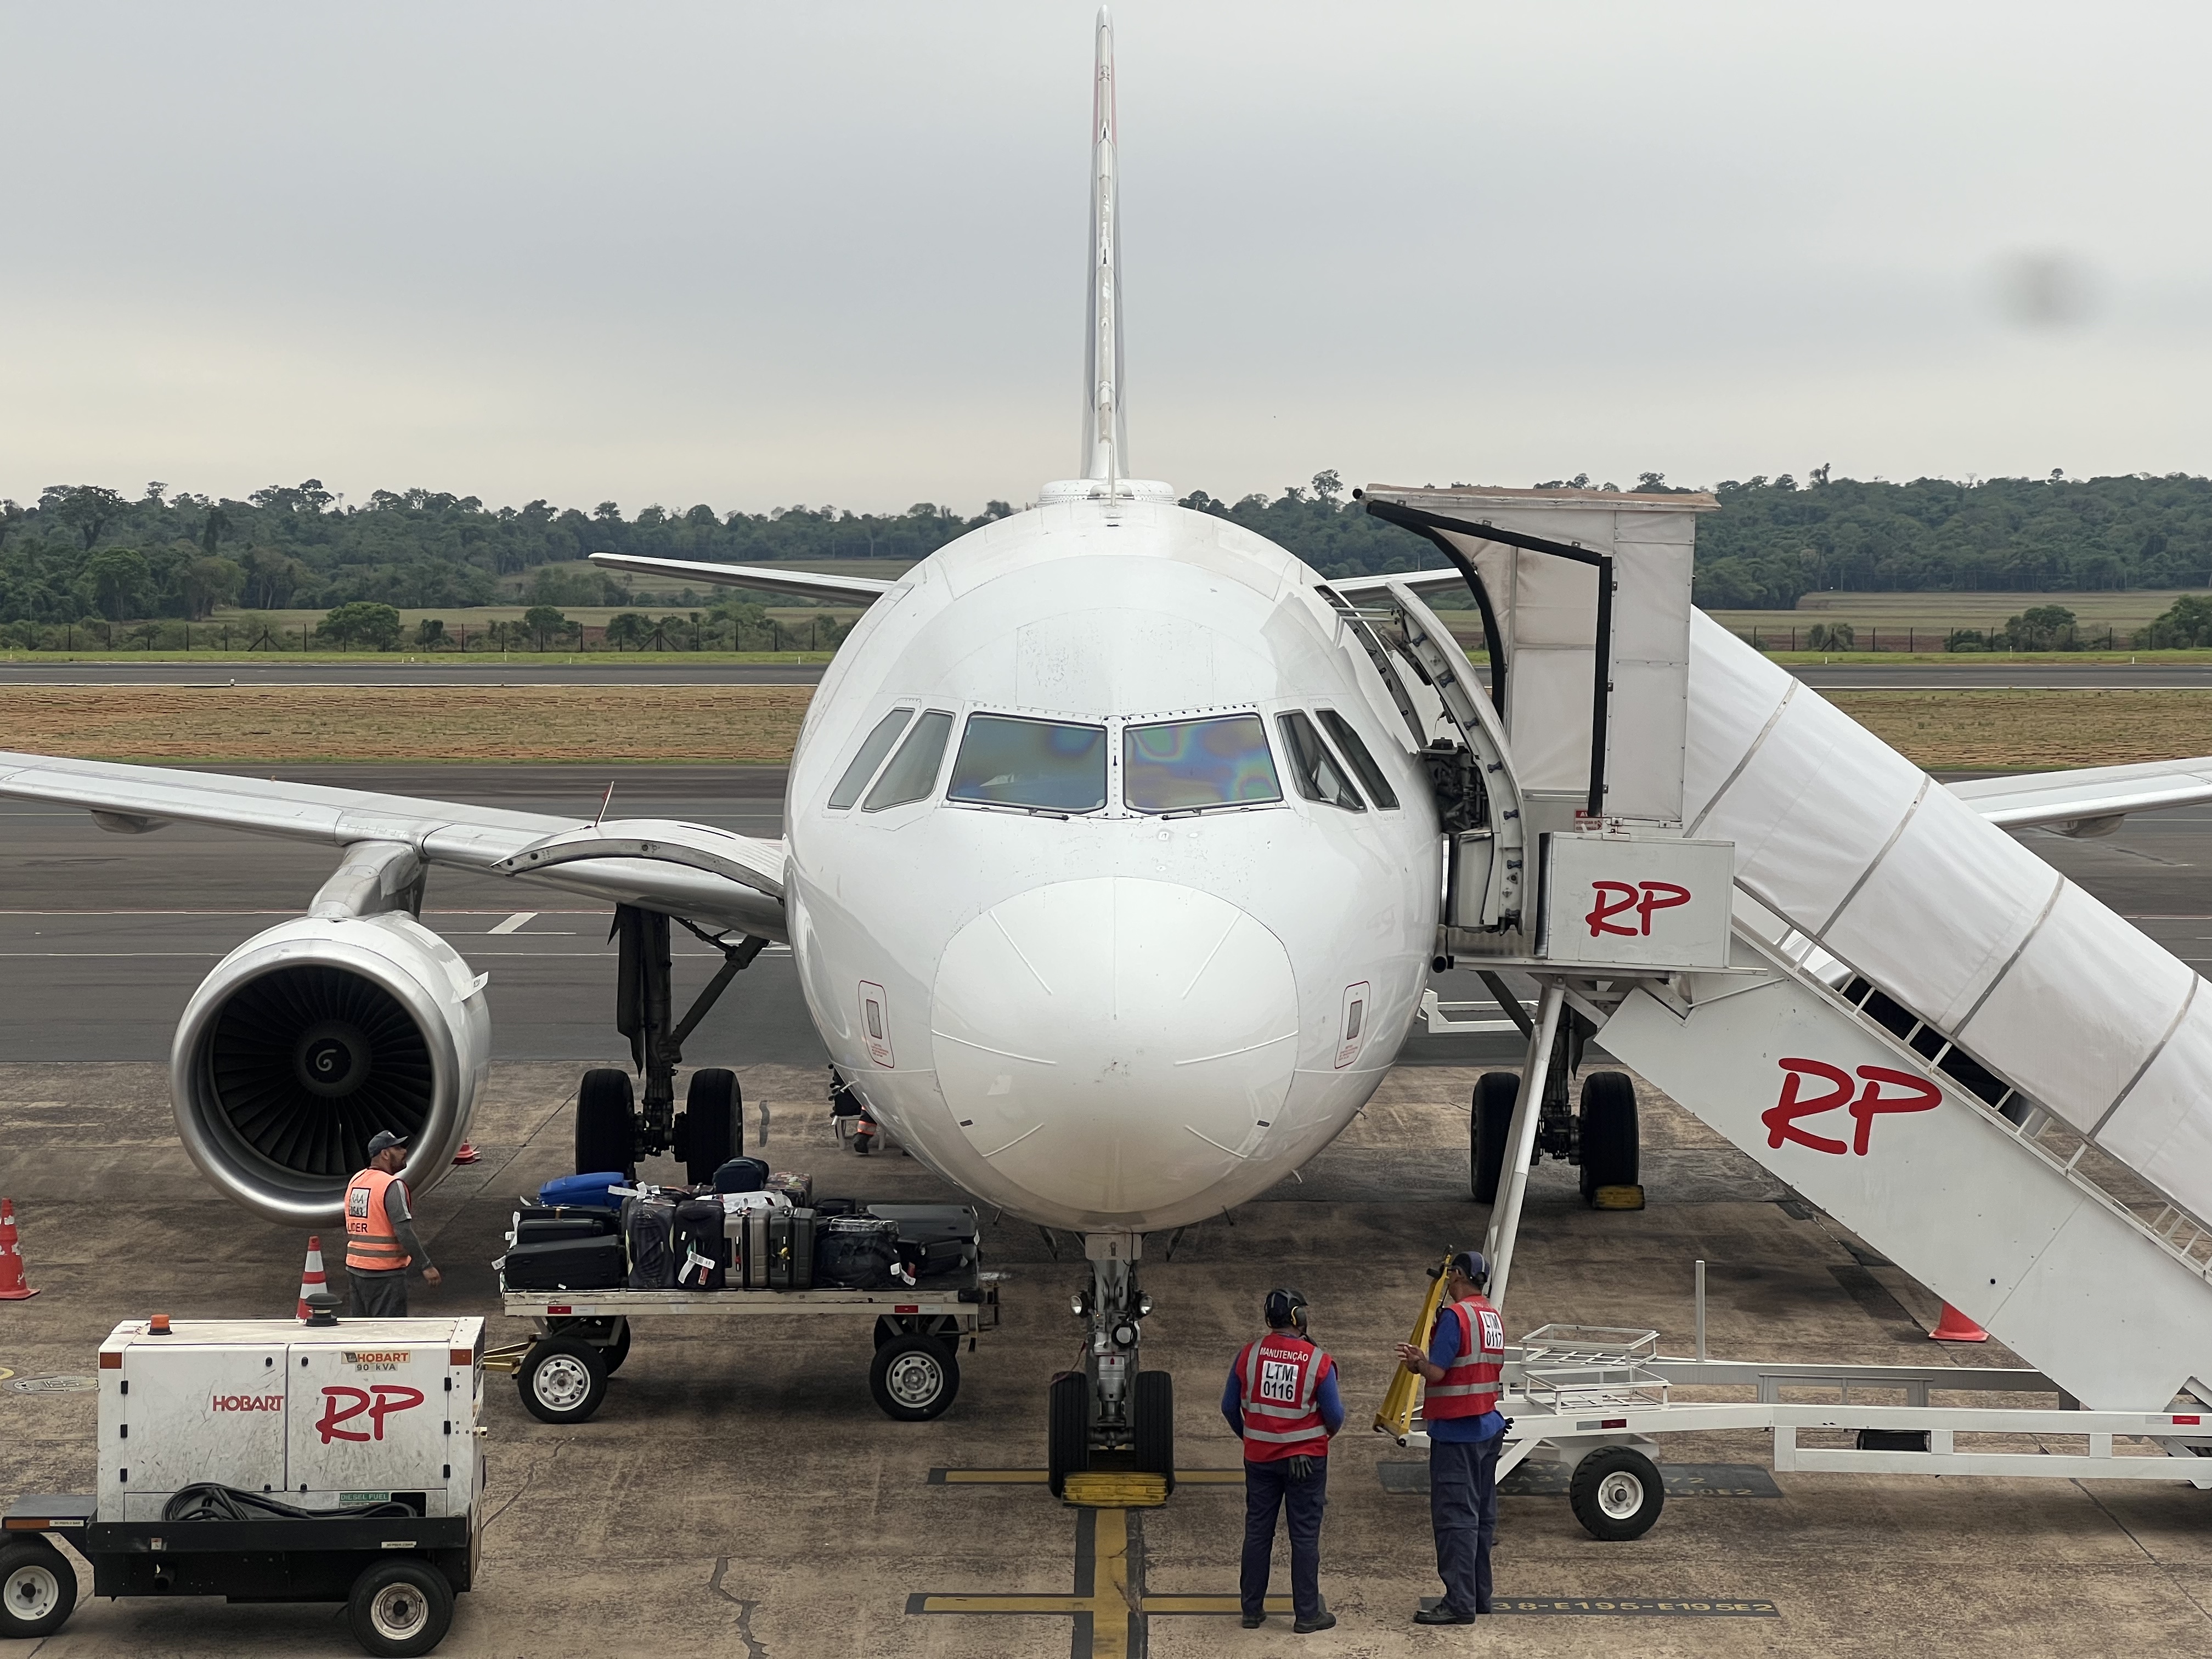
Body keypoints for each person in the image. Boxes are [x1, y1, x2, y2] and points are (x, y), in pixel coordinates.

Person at [1395, 1248, 1506, 1624]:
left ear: (1457, 1275)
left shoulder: (1456, 1317)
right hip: (1487, 1427)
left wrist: (1416, 1363)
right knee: (1481, 1517)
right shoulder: (1491, 1316)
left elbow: (1438, 1372)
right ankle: (1478, 1597)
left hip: (1457, 1432)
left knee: (1456, 1518)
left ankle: (1458, 1603)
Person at [1222, 1286, 1342, 1634]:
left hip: (1259, 1460)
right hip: (1305, 1462)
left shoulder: (1249, 1354)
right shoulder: (1318, 1361)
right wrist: (1311, 1443)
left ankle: (1251, 1611)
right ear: (1298, 1319)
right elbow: (1335, 1415)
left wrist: (1253, 1439)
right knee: (1304, 1536)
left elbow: (1229, 1407)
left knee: (1258, 1532)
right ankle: (1307, 1615)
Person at [343, 1130, 442, 1317]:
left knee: (362, 1333)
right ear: (385, 1154)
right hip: (384, 1273)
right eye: (398, 1148)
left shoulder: (357, 1180)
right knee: (388, 1336)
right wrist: (426, 1265)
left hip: (356, 1269)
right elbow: (403, 1231)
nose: (404, 1151)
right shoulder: (391, 1184)